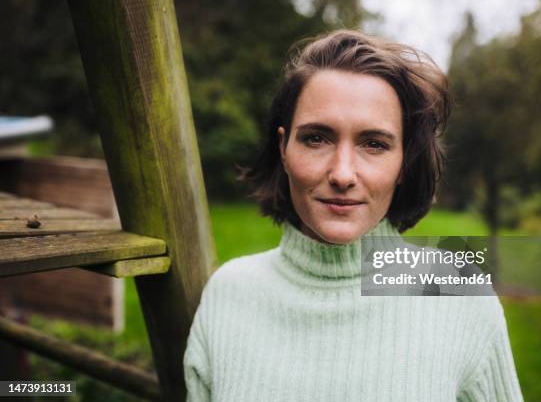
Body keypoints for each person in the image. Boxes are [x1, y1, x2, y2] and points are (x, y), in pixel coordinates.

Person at [183, 29, 523, 401]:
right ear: (283, 148)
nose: (342, 174)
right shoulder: (228, 294)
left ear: (404, 162)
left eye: (374, 144)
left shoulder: (462, 300)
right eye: (316, 138)